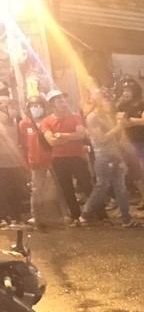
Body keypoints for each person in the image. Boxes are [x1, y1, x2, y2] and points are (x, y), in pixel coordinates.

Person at [80, 89, 136, 228]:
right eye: (107, 99)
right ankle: (85, 214)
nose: (110, 103)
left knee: (120, 188)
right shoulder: (92, 118)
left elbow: (114, 136)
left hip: (114, 154)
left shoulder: (107, 115)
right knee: (102, 186)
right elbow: (102, 139)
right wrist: (119, 126)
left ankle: (126, 218)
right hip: (103, 156)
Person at [41, 90, 91, 224]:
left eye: (64, 100)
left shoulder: (75, 117)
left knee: (88, 185)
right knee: (67, 189)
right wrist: (71, 136)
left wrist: (61, 135)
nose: (63, 103)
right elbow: (51, 141)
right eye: (60, 101)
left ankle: (99, 214)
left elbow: (81, 135)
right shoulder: (46, 121)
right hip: (59, 159)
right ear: (52, 104)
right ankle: (76, 215)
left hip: (77, 157)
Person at [117, 81, 144, 212]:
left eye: (128, 91)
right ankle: (143, 198)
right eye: (124, 91)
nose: (125, 93)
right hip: (129, 144)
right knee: (136, 173)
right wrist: (136, 121)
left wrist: (128, 119)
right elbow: (120, 123)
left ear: (135, 91)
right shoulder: (122, 106)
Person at [19, 96, 55, 225]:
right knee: (36, 190)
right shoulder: (24, 124)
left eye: (38, 105)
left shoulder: (49, 121)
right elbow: (23, 144)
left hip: (53, 160)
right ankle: (36, 216)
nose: (36, 108)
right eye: (33, 106)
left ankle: (64, 214)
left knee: (58, 188)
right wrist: (25, 162)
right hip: (35, 162)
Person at [0, 94, 24, 225]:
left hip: (14, 163)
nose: (11, 108)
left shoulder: (14, 123)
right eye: (6, 105)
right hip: (2, 164)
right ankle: (3, 217)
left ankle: (16, 216)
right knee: (3, 191)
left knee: (16, 190)